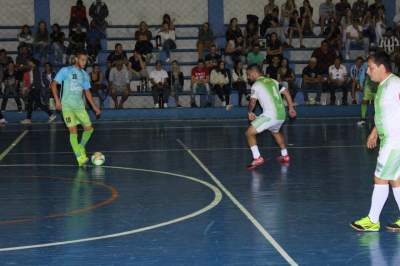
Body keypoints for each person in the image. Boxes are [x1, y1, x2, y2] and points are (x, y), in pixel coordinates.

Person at [350, 51, 400, 232]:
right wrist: (374, 132)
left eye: (370, 68)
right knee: (395, 179)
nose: (368, 72)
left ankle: (372, 220)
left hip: (395, 142)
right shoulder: (383, 86)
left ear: (381, 67)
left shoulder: (394, 84)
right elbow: (385, 114)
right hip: (390, 139)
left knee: (380, 178)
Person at [50, 51, 101, 166]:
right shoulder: (65, 70)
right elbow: (53, 85)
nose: (85, 62)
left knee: (89, 128)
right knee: (73, 130)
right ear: (77, 59)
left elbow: (87, 92)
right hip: (67, 106)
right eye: (82, 59)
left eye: (86, 60)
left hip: (79, 107)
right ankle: (79, 157)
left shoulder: (84, 75)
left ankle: (81, 147)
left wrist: (95, 107)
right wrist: (57, 101)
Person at [245, 64, 297, 170]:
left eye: (249, 75)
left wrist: (250, 112)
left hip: (270, 115)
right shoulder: (273, 81)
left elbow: (253, 101)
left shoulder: (256, 84)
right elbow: (286, 92)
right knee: (275, 132)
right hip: (281, 114)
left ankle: (257, 158)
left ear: (254, 73)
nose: (248, 77)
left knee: (249, 133)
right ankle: (285, 155)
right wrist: (291, 108)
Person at [21, 59, 56, 125]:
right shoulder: (31, 70)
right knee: (35, 104)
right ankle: (51, 115)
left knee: (32, 104)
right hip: (34, 89)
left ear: (33, 63)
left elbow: (35, 81)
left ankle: (29, 119)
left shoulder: (35, 70)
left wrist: (28, 88)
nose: (28, 63)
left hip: (35, 89)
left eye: (29, 62)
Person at [357, 59, 378, 126]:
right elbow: (363, 75)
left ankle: (377, 117)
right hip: (368, 85)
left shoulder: (379, 64)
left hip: (377, 85)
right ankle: (363, 118)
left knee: (376, 102)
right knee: (364, 101)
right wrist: (360, 84)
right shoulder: (365, 65)